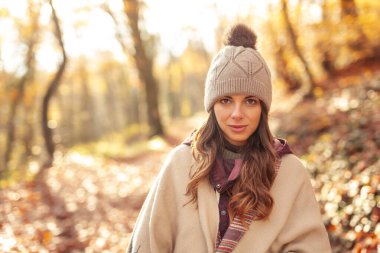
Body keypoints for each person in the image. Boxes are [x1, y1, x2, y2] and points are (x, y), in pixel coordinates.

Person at [127, 23, 331, 253]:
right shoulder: (180, 163)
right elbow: (148, 244)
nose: (237, 114)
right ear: (212, 105)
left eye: (250, 101)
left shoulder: (289, 172)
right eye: (226, 100)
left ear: (262, 108)